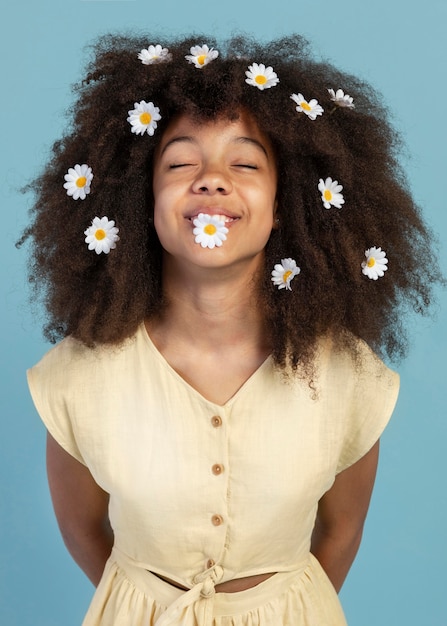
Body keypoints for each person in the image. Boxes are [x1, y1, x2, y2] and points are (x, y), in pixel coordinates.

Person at [22, 33, 442, 625]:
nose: (212, 179)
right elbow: (83, 530)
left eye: (244, 162)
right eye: (180, 161)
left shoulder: (349, 373)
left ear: (282, 207)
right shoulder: (76, 375)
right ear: (140, 201)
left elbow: (342, 531)